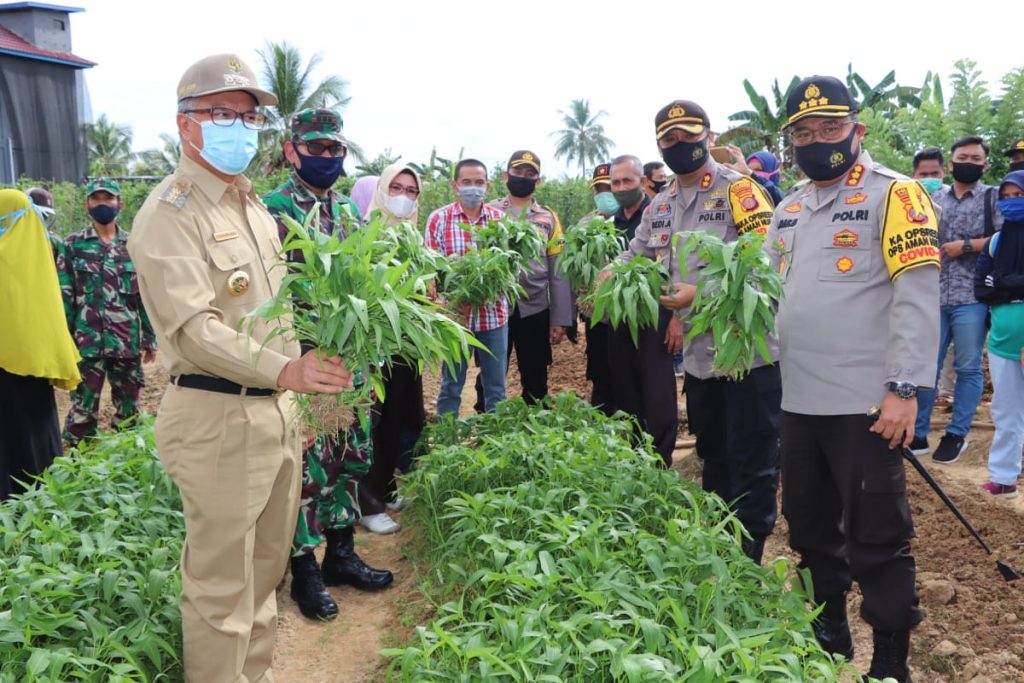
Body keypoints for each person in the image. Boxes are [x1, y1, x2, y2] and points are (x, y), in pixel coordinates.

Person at [127, 53, 355, 682]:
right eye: (222, 113)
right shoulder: (171, 213)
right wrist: (286, 374)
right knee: (221, 593)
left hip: (271, 416)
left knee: (263, 580)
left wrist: (294, 398)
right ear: (186, 125)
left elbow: (273, 318)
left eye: (248, 116)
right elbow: (194, 332)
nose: (239, 127)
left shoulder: (250, 208)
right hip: (216, 417)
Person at [767, 75, 940, 683]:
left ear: (856, 130)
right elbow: (765, 296)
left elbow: (917, 299)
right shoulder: (787, 208)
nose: (819, 142)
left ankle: (892, 661)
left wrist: (906, 388)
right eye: (805, 133)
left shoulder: (897, 195)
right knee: (810, 527)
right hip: (799, 398)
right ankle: (830, 632)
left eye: (831, 129)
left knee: (877, 537)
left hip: (867, 404)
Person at [622, 102, 780, 560]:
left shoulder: (740, 191)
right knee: (714, 454)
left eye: (688, 136)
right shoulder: (663, 203)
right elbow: (637, 251)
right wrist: (612, 273)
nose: (679, 146)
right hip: (699, 358)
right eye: (668, 140)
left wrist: (702, 293)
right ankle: (722, 544)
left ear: (708, 137)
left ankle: (749, 557)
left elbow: (766, 266)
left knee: (752, 460)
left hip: (747, 353)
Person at [263, 107, 394, 619]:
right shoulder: (270, 209)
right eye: (315, 148)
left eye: (335, 149)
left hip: (351, 364)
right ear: (292, 150)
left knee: (349, 455)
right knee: (305, 469)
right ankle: (305, 572)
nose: (326, 157)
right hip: (299, 363)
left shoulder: (347, 212)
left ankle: (341, 554)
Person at [912, 136, 1002, 462]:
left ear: (985, 165)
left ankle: (957, 433)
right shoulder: (935, 198)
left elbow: (1008, 236)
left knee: (968, 366)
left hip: (972, 296)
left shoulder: (993, 196)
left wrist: (965, 246)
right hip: (933, 294)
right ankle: (918, 431)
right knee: (926, 364)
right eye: (962, 156)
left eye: (975, 158)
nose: (969, 161)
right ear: (951, 164)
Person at [57, 178, 156, 447]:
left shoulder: (134, 245)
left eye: (108, 199)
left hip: (126, 341)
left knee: (130, 414)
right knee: (81, 413)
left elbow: (144, 296)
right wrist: (63, 340)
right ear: (87, 204)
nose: (102, 204)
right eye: (96, 199)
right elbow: (64, 296)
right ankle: (80, 468)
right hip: (86, 344)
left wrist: (150, 336)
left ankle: (127, 467)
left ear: (120, 204)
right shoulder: (73, 245)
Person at [0, 189, 80, 500]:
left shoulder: (33, 259)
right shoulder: (34, 259)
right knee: (33, 454)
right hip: (32, 373)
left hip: (17, 379)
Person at [360, 163, 427, 535]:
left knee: (396, 417)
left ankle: (385, 488)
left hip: (405, 346)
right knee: (372, 419)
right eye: (397, 188)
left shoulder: (413, 238)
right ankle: (367, 502)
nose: (403, 197)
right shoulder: (366, 232)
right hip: (374, 345)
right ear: (383, 190)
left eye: (412, 191)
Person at [476, 150, 571, 406]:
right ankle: (487, 423)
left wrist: (560, 319)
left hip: (535, 308)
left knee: (536, 375)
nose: (523, 177)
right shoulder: (489, 211)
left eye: (530, 174)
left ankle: (535, 428)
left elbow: (558, 270)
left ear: (537, 181)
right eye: (518, 172)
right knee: (490, 373)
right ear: (506, 175)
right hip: (495, 307)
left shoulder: (548, 217)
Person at [425, 158, 508, 415]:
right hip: (455, 320)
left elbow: (509, 267)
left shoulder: (500, 221)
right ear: (455, 185)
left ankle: (494, 441)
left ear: (488, 186)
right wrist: (446, 302)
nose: (474, 188)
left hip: (493, 317)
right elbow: (430, 271)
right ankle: (447, 442)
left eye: (479, 183)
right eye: (467, 182)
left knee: (496, 387)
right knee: (451, 385)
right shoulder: (439, 219)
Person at [974, 170, 1024, 498]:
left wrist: (1003, 282)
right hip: (1003, 341)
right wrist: (1012, 283)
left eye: (1017, 195)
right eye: (1005, 197)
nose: (1011, 203)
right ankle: (1004, 477)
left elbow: (995, 283)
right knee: (1006, 408)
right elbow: (981, 287)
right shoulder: (996, 241)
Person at [913, 147, 954, 404]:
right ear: (914, 174)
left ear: (943, 172)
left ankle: (946, 391)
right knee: (922, 343)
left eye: (934, 173)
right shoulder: (905, 198)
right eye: (923, 173)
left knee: (950, 347)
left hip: (951, 282)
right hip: (918, 282)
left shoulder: (951, 198)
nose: (929, 177)